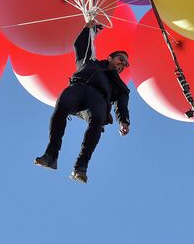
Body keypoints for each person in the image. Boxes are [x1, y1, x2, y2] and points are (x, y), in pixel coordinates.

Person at [34, 21, 131, 183]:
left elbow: (122, 105)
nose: (122, 64)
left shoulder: (120, 87)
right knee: (61, 107)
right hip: (78, 88)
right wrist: (89, 29)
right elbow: (81, 44)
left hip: (98, 100)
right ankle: (51, 155)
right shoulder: (89, 62)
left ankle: (81, 166)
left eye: (125, 64)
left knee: (97, 122)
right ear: (110, 58)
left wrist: (124, 121)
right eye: (121, 59)